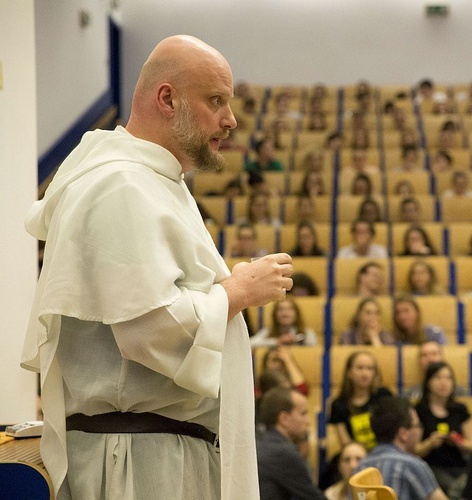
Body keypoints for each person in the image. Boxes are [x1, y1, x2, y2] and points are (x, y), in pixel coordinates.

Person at [23, 35, 295, 499]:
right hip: (139, 463)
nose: (230, 120)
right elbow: (150, 329)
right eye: (216, 101)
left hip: (157, 452)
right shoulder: (120, 185)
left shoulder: (148, 181)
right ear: (167, 98)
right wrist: (238, 290)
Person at [354, 396, 449, 500]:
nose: (420, 431)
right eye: (418, 425)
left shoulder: (360, 467)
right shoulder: (413, 465)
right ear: (403, 434)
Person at [414, 362, 472, 496]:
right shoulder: (419, 411)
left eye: (448, 378)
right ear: (428, 382)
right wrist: (430, 443)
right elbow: (413, 450)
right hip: (431, 466)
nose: (444, 382)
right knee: (452, 487)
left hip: (459, 465)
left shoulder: (460, 409)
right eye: (438, 377)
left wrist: (458, 442)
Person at [256, 388, 325, 499]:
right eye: (303, 414)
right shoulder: (283, 453)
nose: (308, 421)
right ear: (284, 419)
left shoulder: (260, 441)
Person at [328, 351, 394, 451]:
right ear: (349, 372)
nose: (365, 373)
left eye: (370, 368)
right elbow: (346, 444)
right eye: (360, 368)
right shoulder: (338, 404)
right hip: (357, 456)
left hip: (384, 452)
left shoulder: (384, 396)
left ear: (375, 373)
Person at [249, 299, 318, 347]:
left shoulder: (307, 333)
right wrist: (277, 342)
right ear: (275, 314)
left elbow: (313, 353)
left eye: (289, 309)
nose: (284, 313)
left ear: (296, 313)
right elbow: (250, 344)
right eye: (280, 309)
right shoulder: (267, 332)